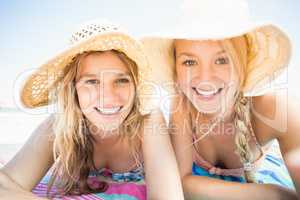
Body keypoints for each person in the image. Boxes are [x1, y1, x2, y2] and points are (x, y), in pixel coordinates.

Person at [0, 20, 184, 200]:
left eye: (121, 80)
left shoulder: (149, 118)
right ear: (73, 89)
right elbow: (5, 182)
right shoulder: (61, 124)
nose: (109, 98)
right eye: (92, 82)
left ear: (135, 85)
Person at [142, 0, 300, 199]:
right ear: (176, 67)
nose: (205, 78)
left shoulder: (277, 108)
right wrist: (273, 193)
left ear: (245, 62)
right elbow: (182, 182)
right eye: (189, 61)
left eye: (222, 60)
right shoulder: (182, 104)